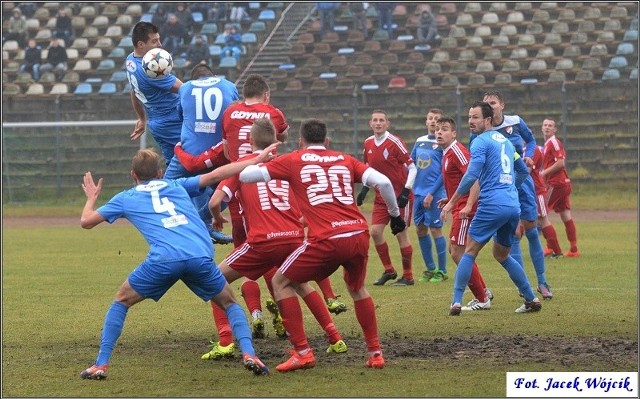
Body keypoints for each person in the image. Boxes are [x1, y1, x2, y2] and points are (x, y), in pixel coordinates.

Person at [77, 146, 280, 380]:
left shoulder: (125, 198)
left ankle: (101, 364)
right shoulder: (177, 185)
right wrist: (257, 159)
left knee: (122, 300)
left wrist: (91, 199)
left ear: (133, 175)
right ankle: (249, 354)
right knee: (229, 302)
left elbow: (86, 222)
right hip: (199, 256)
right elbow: (217, 174)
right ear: (161, 173)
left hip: (164, 259)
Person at [239, 118, 407, 371]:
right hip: (357, 233)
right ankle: (375, 353)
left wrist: (262, 157)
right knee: (358, 289)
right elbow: (383, 183)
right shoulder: (345, 159)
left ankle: (303, 352)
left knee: (280, 282)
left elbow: (246, 175)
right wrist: (395, 216)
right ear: (326, 141)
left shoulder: (294, 159)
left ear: (301, 141)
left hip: (326, 239)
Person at [203, 118, 349, 360]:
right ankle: (335, 337)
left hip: (262, 242)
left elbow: (215, 202)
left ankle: (226, 340)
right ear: (276, 140)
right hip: (293, 238)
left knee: (212, 280)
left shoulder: (242, 165)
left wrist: (217, 218)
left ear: (250, 141)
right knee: (301, 285)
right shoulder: (288, 163)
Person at [440, 101, 541, 315]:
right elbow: (523, 170)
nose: (470, 121)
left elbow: (471, 175)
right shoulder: (505, 142)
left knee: (468, 251)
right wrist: (509, 187)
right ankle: (531, 298)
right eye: (469, 117)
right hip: (512, 205)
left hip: (492, 204)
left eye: (475, 117)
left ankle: (456, 301)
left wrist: (451, 202)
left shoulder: (479, 142)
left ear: (487, 120)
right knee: (502, 254)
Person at [480, 91, 553, 300]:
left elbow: (531, 141)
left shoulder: (515, 122)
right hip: (499, 187)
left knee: (531, 229)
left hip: (522, 183)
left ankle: (542, 281)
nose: (490, 106)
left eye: (493, 103)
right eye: (486, 103)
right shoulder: (482, 131)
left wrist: (529, 157)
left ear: (502, 104)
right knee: (512, 236)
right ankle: (524, 285)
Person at [164, 63, 238, 248]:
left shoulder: (186, 87)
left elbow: (181, 115)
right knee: (230, 189)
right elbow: (235, 113)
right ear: (213, 76)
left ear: (194, 78)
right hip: (221, 153)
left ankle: (175, 229)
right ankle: (203, 222)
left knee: (164, 188)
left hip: (190, 153)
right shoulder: (229, 85)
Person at [434, 116, 494, 311]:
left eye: (444, 129)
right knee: (457, 251)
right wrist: (449, 198)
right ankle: (483, 291)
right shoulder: (446, 153)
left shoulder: (458, 152)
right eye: (437, 129)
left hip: (465, 209)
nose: (439, 132)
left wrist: (468, 205)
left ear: (454, 133)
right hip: (459, 205)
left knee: (459, 252)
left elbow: (474, 178)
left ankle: (482, 297)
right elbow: (460, 180)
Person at [358, 109, 416, 286]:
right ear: (370, 123)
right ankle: (389, 270)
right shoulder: (368, 143)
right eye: (375, 120)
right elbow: (369, 168)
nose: (378, 123)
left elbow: (413, 168)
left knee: (400, 234)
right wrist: (364, 189)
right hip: (381, 197)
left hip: (400, 197)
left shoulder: (394, 142)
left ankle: (408, 276)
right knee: (375, 232)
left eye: (381, 120)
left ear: (387, 123)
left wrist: (406, 191)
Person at [126, 21, 182, 166]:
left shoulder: (131, 60)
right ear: (141, 44)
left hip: (157, 122)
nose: (160, 44)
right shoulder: (150, 70)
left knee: (174, 164)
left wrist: (142, 118)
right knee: (193, 159)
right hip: (172, 120)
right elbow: (185, 90)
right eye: (154, 41)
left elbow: (133, 91)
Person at [410, 108, 448, 283]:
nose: (433, 122)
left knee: (435, 229)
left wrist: (432, 193)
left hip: (434, 193)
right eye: (430, 118)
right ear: (426, 122)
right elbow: (411, 163)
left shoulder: (443, 143)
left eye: (437, 119)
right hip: (417, 193)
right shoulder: (419, 141)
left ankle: (442, 270)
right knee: (420, 229)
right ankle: (430, 269)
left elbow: (444, 172)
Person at [541, 118, 580, 257]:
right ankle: (574, 250)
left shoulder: (554, 142)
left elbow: (561, 163)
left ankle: (552, 248)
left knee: (541, 214)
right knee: (565, 215)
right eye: (545, 125)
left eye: (550, 125)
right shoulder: (546, 144)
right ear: (541, 128)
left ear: (555, 129)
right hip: (563, 184)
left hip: (556, 184)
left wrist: (543, 174)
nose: (547, 127)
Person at [530, 141, 563, 259]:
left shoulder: (533, 150)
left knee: (543, 220)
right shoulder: (531, 149)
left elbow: (528, 171)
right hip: (530, 190)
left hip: (537, 190)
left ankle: (557, 251)